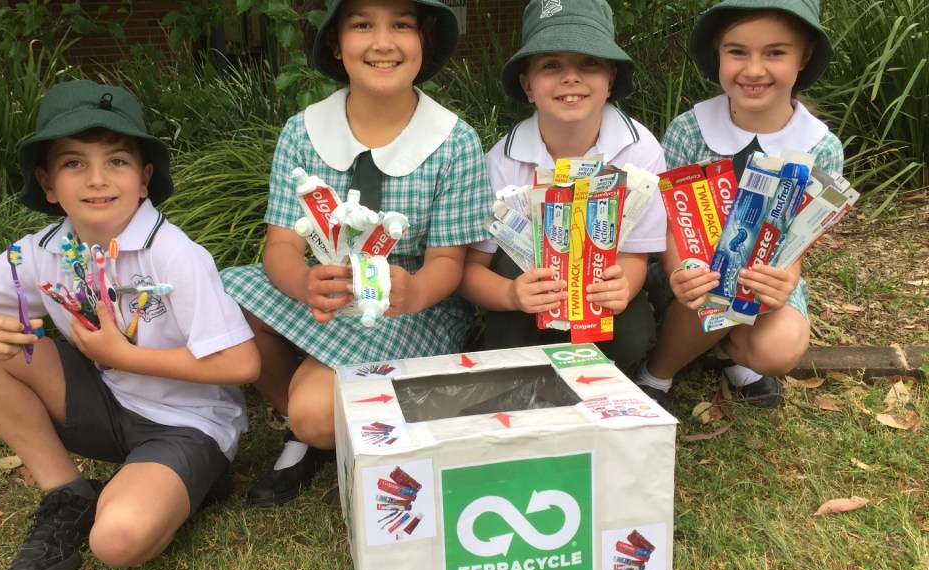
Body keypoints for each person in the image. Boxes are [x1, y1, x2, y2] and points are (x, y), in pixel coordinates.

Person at [0, 79, 260, 570]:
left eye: (117, 160)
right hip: (106, 404)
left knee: (116, 542)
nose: (97, 179)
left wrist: (122, 355)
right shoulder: (42, 250)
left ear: (144, 177)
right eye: (74, 163)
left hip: (187, 422)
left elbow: (241, 363)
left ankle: (192, 480)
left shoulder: (174, 253)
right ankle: (67, 493)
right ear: (48, 183)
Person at [220, 0, 492, 506]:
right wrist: (303, 283)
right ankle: (308, 423)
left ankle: (322, 425)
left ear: (423, 42)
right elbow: (281, 245)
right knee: (226, 299)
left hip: (407, 302)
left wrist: (411, 295)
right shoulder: (303, 132)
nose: (383, 41)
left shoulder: (454, 142)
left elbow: (448, 263)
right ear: (336, 44)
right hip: (325, 286)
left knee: (317, 415)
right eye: (362, 24)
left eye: (402, 25)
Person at [633, 0, 844, 406]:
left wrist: (784, 277)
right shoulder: (688, 129)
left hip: (765, 274)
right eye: (737, 51)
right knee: (718, 286)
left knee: (778, 347)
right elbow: (670, 220)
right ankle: (657, 373)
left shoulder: (821, 146)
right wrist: (682, 271)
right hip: (690, 272)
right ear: (717, 53)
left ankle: (725, 349)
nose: (753, 70)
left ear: (805, 56)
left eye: (775, 52)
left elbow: (800, 236)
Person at [458, 0, 668, 377]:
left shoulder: (639, 149)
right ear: (527, 86)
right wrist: (510, 295)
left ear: (611, 80)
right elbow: (470, 271)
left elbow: (635, 253)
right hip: (525, 295)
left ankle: (602, 372)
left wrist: (625, 284)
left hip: (598, 289)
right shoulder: (503, 161)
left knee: (633, 338)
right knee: (508, 259)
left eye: (589, 63)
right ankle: (516, 368)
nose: (571, 77)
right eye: (551, 65)